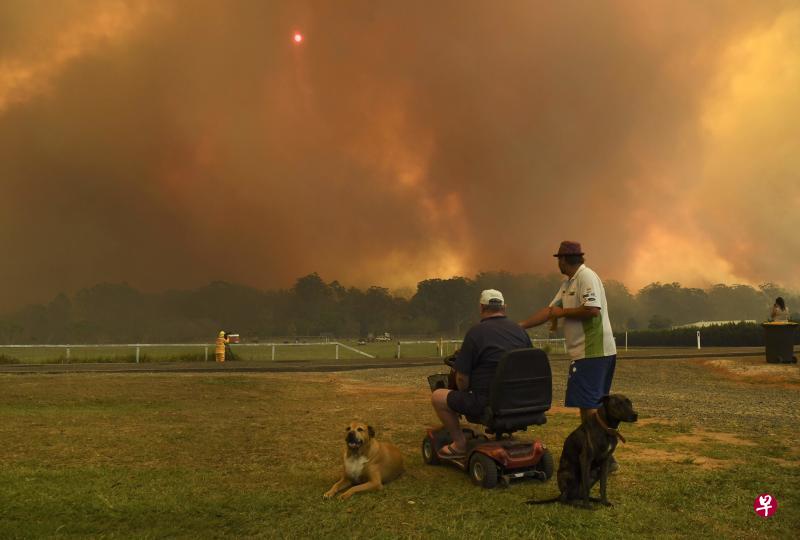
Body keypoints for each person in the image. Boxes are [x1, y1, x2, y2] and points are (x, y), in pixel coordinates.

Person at [519, 241, 618, 465]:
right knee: (590, 405)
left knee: (590, 406)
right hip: (588, 352)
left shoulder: (586, 277)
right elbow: (550, 310)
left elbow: (592, 310)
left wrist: (562, 313)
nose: (558, 264)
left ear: (563, 260)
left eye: (559, 260)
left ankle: (602, 458)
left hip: (593, 351)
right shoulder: (569, 283)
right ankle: (601, 456)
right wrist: (522, 325)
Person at [431, 289, 532, 458]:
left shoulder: (475, 333)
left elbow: (462, 379)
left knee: (438, 397)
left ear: (481, 307)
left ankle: (459, 444)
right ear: (504, 307)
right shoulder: (520, 331)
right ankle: (504, 433)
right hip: (520, 400)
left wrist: (462, 393)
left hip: (487, 402)